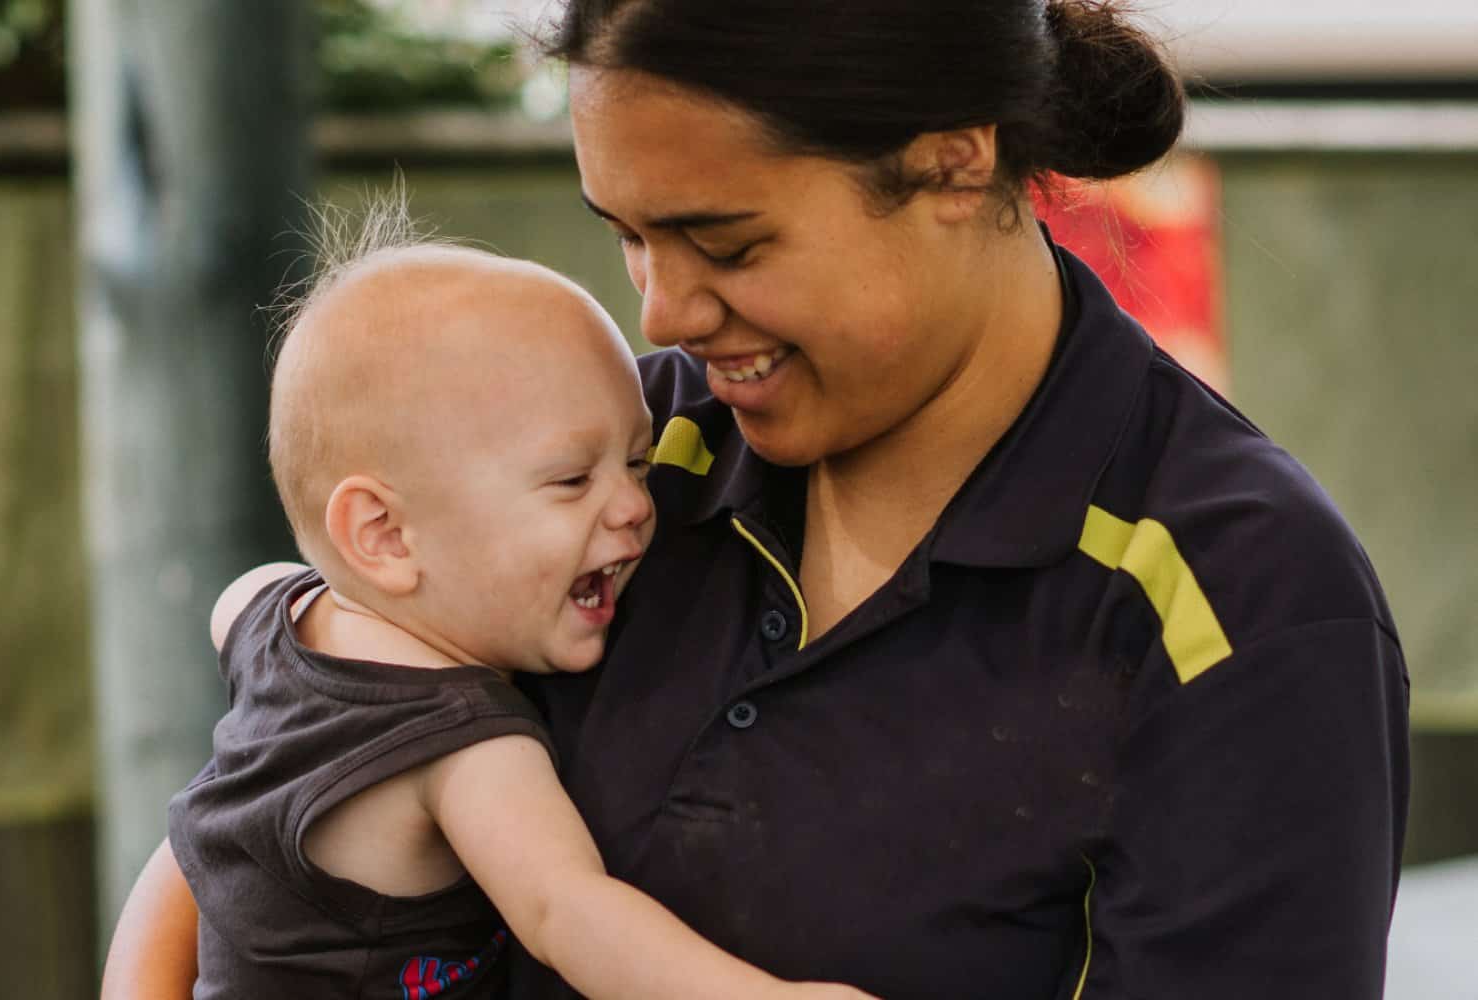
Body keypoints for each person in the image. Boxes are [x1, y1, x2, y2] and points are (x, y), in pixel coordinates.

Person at [103, 1, 1410, 997]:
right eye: (627, 234)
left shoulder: (1237, 605)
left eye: (727, 243)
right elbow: (256, 811)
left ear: (955, 164)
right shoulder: (617, 450)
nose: (659, 311)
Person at [148, 213, 874, 1000]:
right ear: (384, 533)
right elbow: (568, 912)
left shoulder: (266, 617)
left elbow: (235, 607)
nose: (635, 506)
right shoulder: (461, 747)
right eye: (571, 480)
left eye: (637, 461)